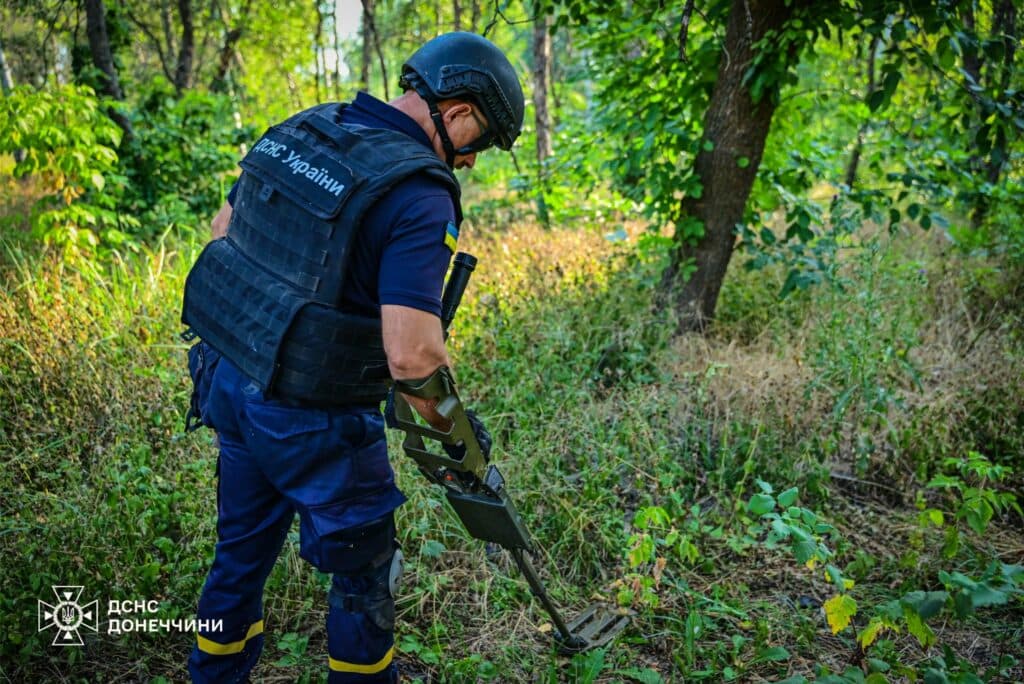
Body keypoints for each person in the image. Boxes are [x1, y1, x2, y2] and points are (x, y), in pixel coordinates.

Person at [180, 32, 524, 683]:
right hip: (316, 414)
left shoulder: (304, 128)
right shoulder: (421, 193)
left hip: (228, 381)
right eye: (479, 139)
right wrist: (456, 433)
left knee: (240, 555)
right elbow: (412, 352)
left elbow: (225, 236)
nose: (472, 162)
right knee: (364, 580)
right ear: (455, 109)